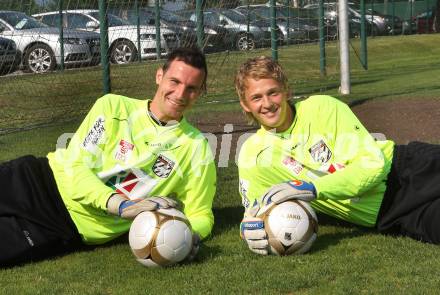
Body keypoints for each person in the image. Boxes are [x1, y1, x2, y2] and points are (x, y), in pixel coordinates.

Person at [0, 47, 216, 266]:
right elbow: (76, 167)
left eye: (191, 88)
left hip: (64, 226)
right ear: (159, 76)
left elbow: (200, 214)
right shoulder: (113, 106)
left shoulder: (195, 147)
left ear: (199, 92)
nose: (180, 94)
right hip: (35, 179)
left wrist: (187, 235)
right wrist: (120, 205)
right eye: (174, 82)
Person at [235, 56, 440, 255]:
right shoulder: (253, 156)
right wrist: (247, 230)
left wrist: (314, 188)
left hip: (409, 170)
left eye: (273, 93)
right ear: (245, 105)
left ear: (286, 91)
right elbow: (254, 212)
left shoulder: (322, 108)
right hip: (390, 215)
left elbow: (373, 164)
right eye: (256, 98)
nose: (268, 103)